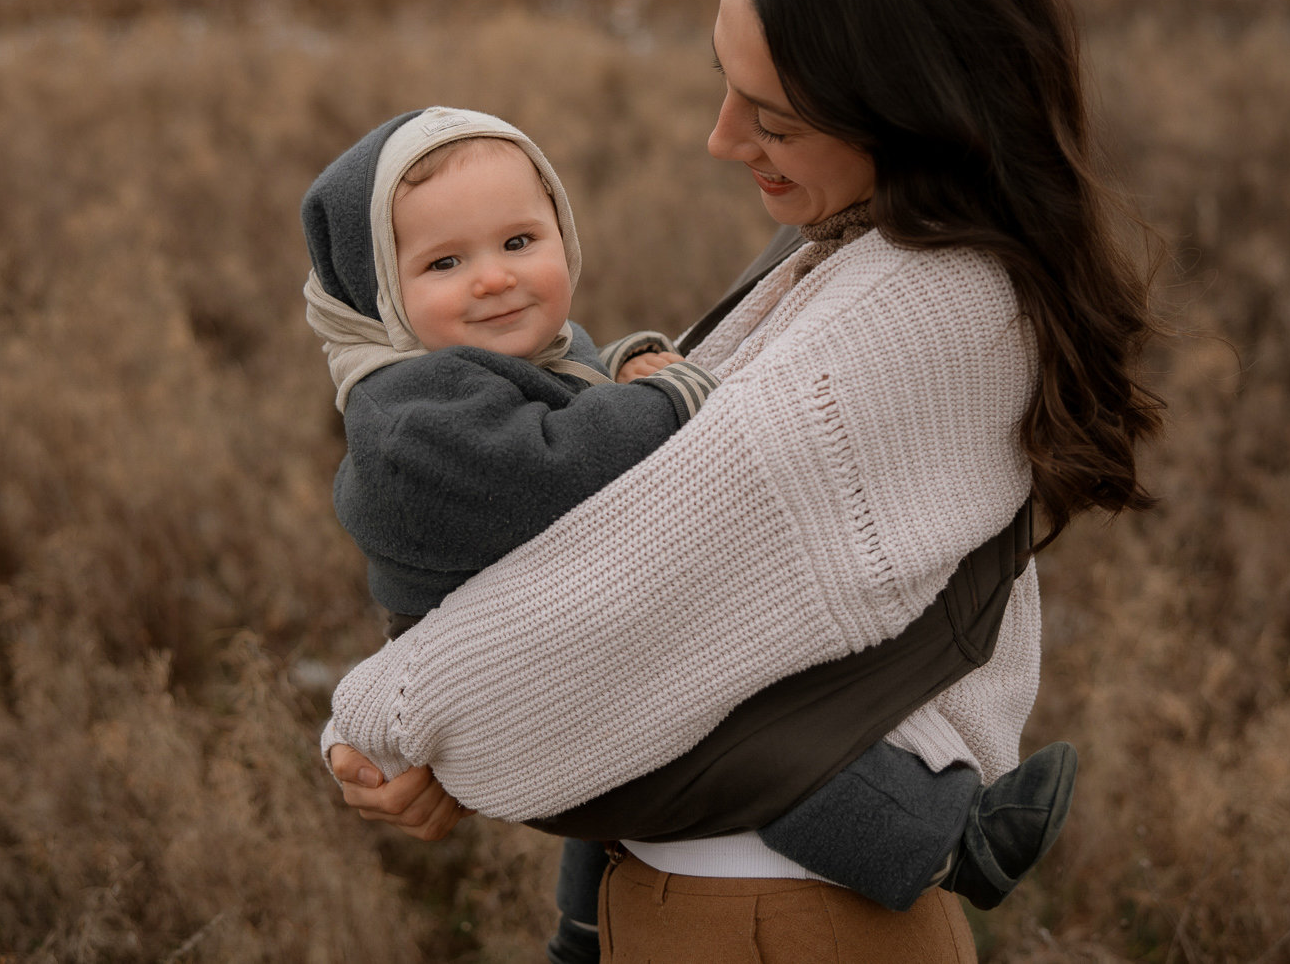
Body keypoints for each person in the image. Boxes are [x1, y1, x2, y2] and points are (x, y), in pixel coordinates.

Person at [324, 0, 1162, 963]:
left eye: (770, 115)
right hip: (723, 903)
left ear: (911, 109)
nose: (721, 139)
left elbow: (612, 604)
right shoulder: (864, 247)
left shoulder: (923, 310)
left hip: (773, 919)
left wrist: (381, 720)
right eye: (725, 86)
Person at [300, 105, 1078, 964]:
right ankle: (941, 837)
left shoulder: (506, 361)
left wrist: (634, 369)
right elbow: (558, 468)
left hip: (579, 686)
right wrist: (676, 398)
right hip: (538, 680)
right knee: (759, 742)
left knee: (634, 761)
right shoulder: (412, 413)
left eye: (520, 241)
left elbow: (587, 401)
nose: (493, 279)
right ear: (380, 297)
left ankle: (581, 931)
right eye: (445, 262)